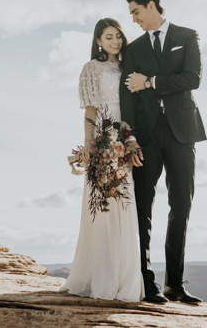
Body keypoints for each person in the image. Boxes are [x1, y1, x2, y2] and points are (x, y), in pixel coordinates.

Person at [120, 0, 206, 305]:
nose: (134, 19)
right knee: (143, 206)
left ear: (152, 6)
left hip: (182, 130)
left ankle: (174, 284)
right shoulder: (134, 48)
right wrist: (129, 139)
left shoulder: (186, 36)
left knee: (181, 204)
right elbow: (127, 96)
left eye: (136, 12)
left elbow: (192, 78)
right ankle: (147, 282)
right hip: (146, 135)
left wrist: (152, 82)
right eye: (131, 14)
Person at [59, 18, 144, 301]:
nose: (115, 41)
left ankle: (124, 279)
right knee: (104, 207)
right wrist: (88, 144)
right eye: (108, 37)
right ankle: (101, 279)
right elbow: (91, 111)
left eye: (118, 36)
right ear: (98, 40)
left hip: (126, 137)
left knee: (125, 204)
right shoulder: (91, 69)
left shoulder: (129, 67)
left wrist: (130, 139)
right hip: (104, 140)